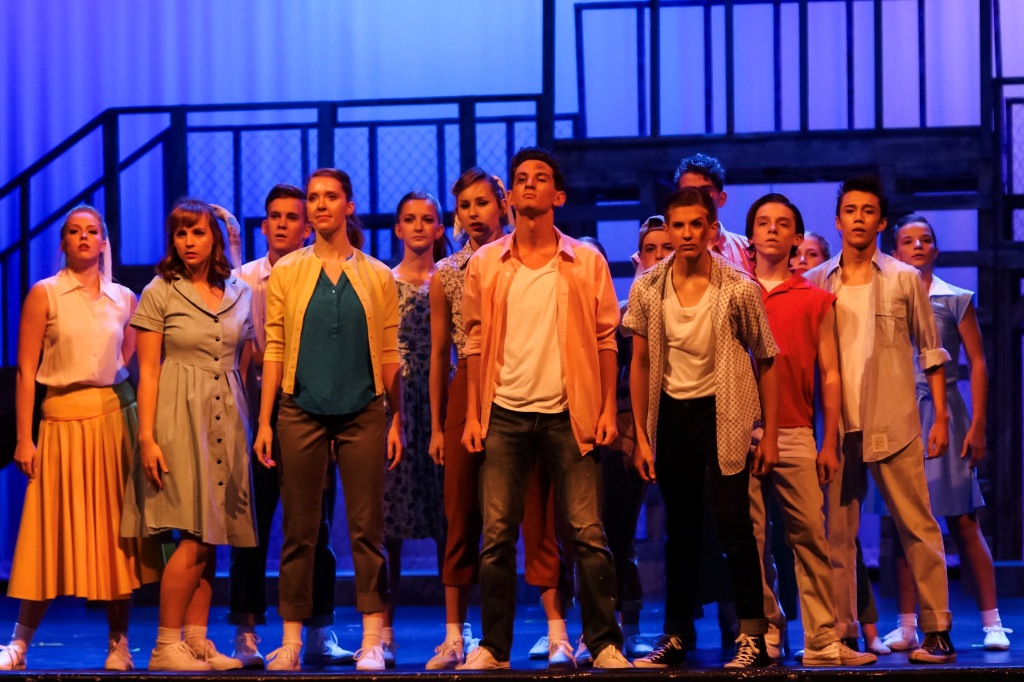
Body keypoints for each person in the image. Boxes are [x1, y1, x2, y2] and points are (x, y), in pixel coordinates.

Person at [458, 147, 631, 670]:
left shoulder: (585, 261)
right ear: (509, 195)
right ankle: (494, 647)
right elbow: (472, 341)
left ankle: (603, 643)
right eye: (521, 178)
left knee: (588, 533)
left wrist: (606, 408)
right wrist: (473, 414)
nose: (529, 184)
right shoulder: (486, 263)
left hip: (569, 411)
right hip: (504, 411)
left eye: (540, 178)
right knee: (496, 536)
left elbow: (606, 339)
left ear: (558, 195)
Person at [254, 168, 404, 672]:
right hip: (301, 409)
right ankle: (292, 640)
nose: (320, 205)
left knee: (367, 527)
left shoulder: (377, 275)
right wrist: (265, 421)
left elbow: (390, 352)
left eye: (330, 196)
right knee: (300, 528)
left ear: (348, 205)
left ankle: (371, 639)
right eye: (314, 197)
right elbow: (275, 346)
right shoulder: (288, 271)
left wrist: (398, 419)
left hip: (364, 410)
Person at [625, 187, 778, 669]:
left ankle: (753, 635)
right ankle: (676, 633)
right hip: (673, 415)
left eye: (697, 224)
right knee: (682, 529)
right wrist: (643, 436)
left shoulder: (738, 286)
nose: (687, 234)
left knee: (734, 526)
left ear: (712, 229)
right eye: (679, 225)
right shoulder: (648, 287)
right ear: (667, 229)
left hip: (724, 412)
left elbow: (766, 357)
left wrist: (769, 433)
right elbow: (640, 362)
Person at [805, 176, 955, 664]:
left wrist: (940, 417)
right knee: (837, 537)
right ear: (837, 221)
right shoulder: (818, 280)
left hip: (894, 419)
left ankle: (937, 630)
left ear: (881, 221)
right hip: (838, 427)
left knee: (918, 527)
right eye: (850, 211)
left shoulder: (902, 278)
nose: (858, 219)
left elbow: (931, 350)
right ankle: (844, 633)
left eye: (868, 211)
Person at [427, 167, 571, 670]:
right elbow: (441, 352)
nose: (474, 213)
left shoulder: (523, 258)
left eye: (482, 202)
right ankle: (455, 635)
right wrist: (438, 424)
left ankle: (557, 631)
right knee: (461, 510)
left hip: (518, 386)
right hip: (467, 387)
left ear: (503, 204)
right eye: (465, 205)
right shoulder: (448, 271)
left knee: (537, 509)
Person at [0, 206, 156, 671]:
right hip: (60, 423)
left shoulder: (124, 298)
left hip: (111, 424)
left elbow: (127, 362)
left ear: (104, 242)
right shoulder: (44, 294)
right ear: (63, 242)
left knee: (115, 534)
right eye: (74, 231)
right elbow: (26, 372)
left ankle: (119, 643)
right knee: (46, 531)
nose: (84, 237)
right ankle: (19, 644)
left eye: (92, 231)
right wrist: (24, 438)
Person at [120, 198, 256, 671]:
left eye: (198, 232)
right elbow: (148, 371)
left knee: (212, 533)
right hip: (179, 417)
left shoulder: (240, 291)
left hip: (227, 416)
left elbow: (244, 362)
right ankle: (165, 644)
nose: (189, 242)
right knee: (193, 534)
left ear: (215, 238)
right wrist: (147, 437)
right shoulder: (160, 291)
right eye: (181, 233)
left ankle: (196, 641)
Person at [744, 193, 876, 666]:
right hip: (742, 430)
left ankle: (821, 637)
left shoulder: (817, 299)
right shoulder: (735, 292)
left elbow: (831, 374)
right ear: (751, 235)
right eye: (763, 222)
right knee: (751, 539)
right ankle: (767, 627)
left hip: (797, 429)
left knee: (809, 538)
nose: (772, 229)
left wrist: (829, 441)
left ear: (797, 238)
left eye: (783, 223)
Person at [225, 185, 352, 668]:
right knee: (250, 526)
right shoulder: (242, 279)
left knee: (315, 525)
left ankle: (318, 628)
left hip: (310, 407)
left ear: (307, 227)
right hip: (255, 410)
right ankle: (247, 631)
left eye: (292, 217)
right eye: (274, 216)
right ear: (264, 226)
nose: (282, 224)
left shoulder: (321, 273)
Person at [885, 213, 1009, 651]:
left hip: (946, 414)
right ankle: (906, 625)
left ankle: (993, 622)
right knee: (904, 522)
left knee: (963, 520)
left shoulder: (954, 298)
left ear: (935, 249)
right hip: (899, 413)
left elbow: (978, 362)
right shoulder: (887, 299)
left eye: (925, 239)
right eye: (908, 241)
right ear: (894, 252)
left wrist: (978, 424)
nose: (917, 246)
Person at [381, 190, 448, 664]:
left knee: (449, 516)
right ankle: (383, 628)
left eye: (427, 219)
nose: (419, 226)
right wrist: (393, 414)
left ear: (439, 228)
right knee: (388, 521)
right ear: (398, 229)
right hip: (398, 402)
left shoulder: (450, 279)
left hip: (441, 397)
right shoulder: (385, 282)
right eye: (410, 219)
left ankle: (456, 625)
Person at [674, 152, 753, 274]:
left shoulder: (748, 250)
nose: (697, 197)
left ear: (721, 198)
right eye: (689, 191)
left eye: (705, 191)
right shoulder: (662, 249)